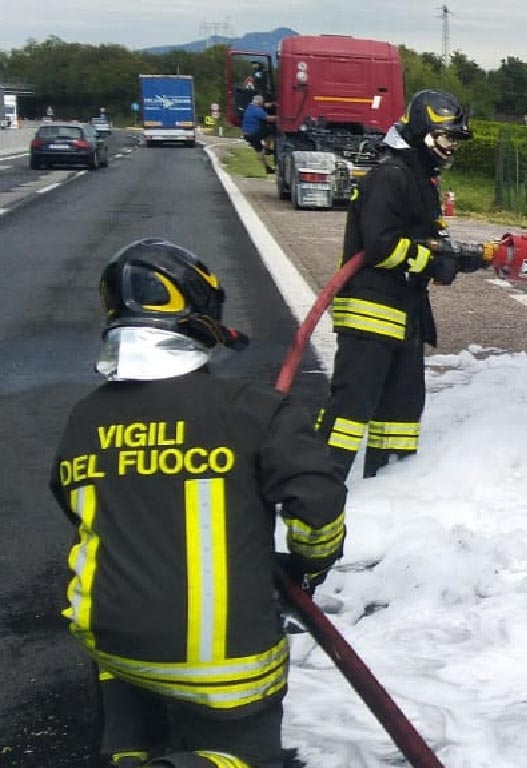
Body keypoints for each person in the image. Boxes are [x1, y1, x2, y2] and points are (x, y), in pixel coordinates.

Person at [50, 238, 347, 768]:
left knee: (131, 719)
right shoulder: (256, 410)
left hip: (110, 644)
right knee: (244, 756)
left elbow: (77, 506)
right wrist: (307, 562)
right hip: (222, 664)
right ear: (202, 317)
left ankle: (129, 749)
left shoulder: (83, 418)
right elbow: (317, 506)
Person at [316, 89, 476, 481]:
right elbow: (381, 245)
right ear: (423, 132)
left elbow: (421, 237)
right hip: (372, 315)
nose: (452, 147)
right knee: (350, 411)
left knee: (401, 413)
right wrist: (433, 261)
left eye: (456, 139)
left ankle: (387, 493)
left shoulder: (420, 176)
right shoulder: (391, 175)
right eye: (447, 138)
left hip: (403, 315)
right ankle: (314, 493)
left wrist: (456, 256)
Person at [241, 94, 277, 174]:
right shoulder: (257, 110)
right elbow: (269, 119)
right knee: (271, 129)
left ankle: (268, 169)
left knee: (259, 151)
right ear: (258, 101)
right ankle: (267, 148)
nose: (262, 103)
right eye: (261, 101)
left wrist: (274, 104)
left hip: (247, 135)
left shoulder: (250, 107)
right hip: (254, 134)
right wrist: (279, 117)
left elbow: (265, 105)